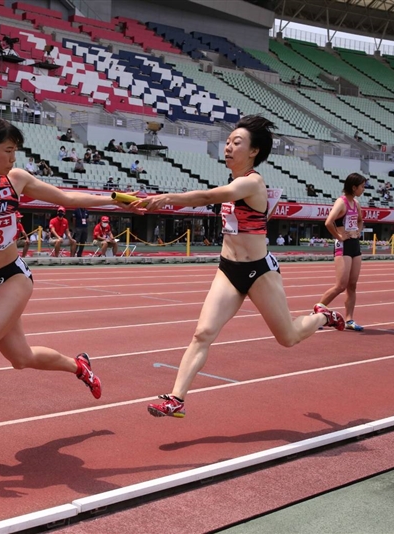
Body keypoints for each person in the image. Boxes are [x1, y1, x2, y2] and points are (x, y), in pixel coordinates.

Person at [0, 116, 135, 461]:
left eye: (15, 151)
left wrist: (113, 199)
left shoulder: (16, 180)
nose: (12, 158)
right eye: (7, 151)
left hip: (13, 277)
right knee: (20, 358)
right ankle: (79, 366)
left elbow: (66, 197)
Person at [133, 115, 345, 419]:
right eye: (228, 142)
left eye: (237, 143)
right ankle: (176, 398)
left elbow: (208, 196)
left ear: (254, 151)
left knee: (288, 338)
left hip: (259, 271)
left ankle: (321, 317)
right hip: (228, 270)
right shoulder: (235, 182)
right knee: (202, 333)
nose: (229, 147)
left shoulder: (252, 182)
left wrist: (167, 199)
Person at [315, 174, 366, 332]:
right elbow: (328, 222)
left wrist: (358, 231)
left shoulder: (355, 203)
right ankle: (316, 313)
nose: (363, 190)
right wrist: (339, 236)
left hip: (354, 245)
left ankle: (349, 319)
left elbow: (360, 220)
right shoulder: (341, 202)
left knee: (352, 285)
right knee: (340, 285)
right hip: (343, 246)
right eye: (362, 187)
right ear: (353, 187)